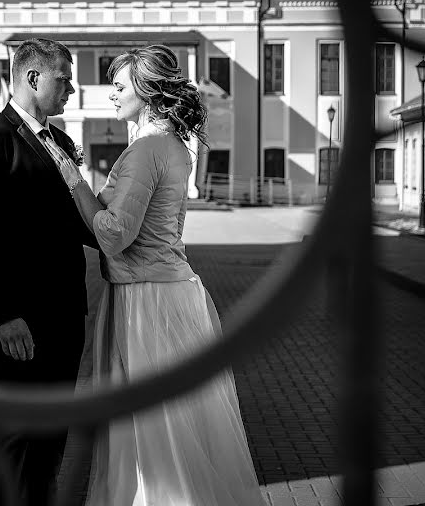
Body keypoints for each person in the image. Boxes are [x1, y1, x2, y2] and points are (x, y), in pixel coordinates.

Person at [46, 45, 266, 505]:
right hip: (174, 291)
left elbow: (115, 235)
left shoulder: (146, 150)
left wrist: (74, 181)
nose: (112, 95)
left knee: (150, 434)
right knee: (176, 428)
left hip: (145, 300)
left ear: (146, 92)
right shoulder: (172, 145)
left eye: (120, 87)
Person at [0, 38, 97, 506]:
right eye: (65, 79)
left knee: (50, 440)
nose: (72, 89)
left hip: (66, 316)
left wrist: (135, 232)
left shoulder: (60, 142)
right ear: (34, 78)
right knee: (17, 437)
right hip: (24, 323)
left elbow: (76, 221)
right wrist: (3, 314)